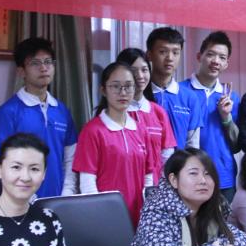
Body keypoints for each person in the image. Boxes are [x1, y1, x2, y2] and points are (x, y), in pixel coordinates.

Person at [119, 149, 246, 246]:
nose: (203, 180)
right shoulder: (157, 210)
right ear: (174, 180)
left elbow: (244, 241)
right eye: (193, 173)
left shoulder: (210, 206)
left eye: (208, 174)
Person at [0, 37, 77, 198]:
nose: (43, 68)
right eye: (35, 63)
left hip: (59, 198)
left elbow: (70, 156)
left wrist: (68, 191)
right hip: (21, 200)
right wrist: (26, 196)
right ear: (21, 71)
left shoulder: (61, 110)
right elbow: (2, 159)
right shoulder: (8, 112)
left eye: (48, 62)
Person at [72, 62, 154, 224]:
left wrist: (149, 210)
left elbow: (148, 176)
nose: (122, 92)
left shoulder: (141, 130)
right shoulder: (92, 131)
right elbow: (87, 182)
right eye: (115, 86)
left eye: (128, 86)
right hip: (106, 218)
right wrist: (99, 216)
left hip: (140, 216)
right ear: (103, 90)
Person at [181, 31, 240, 202]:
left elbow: (236, 145)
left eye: (222, 57)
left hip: (223, 176)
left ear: (226, 64)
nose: (216, 61)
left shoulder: (231, 97)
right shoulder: (180, 91)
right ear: (199, 56)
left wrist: (226, 117)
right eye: (210, 54)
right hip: (187, 174)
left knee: (223, 219)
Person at [116, 47, 177, 187]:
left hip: (154, 189)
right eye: (133, 71)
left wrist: (162, 188)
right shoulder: (113, 113)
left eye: (144, 70)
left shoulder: (158, 112)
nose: (140, 76)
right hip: (121, 187)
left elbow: (167, 157)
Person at [146, 26, 204, 149]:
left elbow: (192, 145)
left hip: (178, 161)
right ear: (149, 55)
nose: (170, 58)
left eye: (175, 52)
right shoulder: (140, 94)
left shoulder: (189, 98)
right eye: (163, 52)